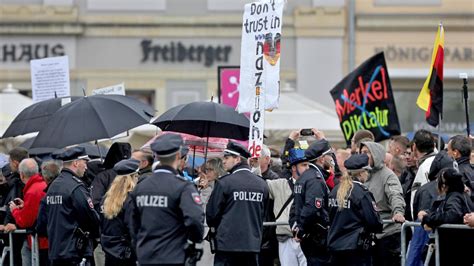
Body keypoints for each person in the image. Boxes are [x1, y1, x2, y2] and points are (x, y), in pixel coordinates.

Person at [126, 134, 204, 265]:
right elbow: (194, 220)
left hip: (146, 256)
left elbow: (132, 224)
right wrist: (193, 242)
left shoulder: (141, 187)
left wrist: (139, 247)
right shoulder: (183, 187)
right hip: (173, 256)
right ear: (178, 156)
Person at [206, 141, 269, 266]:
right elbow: (263, 215)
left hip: (227, 246)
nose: (223, 161)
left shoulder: (225, 183)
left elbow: (212, 215)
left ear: (237, 159)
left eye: (227, 157)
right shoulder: (261, 184)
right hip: (252, 245)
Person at [37, 146, 100, 266]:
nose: (86, 167)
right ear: (76, 163)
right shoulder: (76, 187)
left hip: (56, 252)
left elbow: (41, 224)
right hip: (75, 253)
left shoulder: (53, 187)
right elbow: (92, 219)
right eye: (84, 162)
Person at [328, 154, 383, 266]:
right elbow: (374, 222)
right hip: (355, 249)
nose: (367, 174)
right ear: (361, 173)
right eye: (366, 171)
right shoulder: (362, 193)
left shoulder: (335, 191)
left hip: (335, 246)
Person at [360, 141, 405, 266]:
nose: (363, 156)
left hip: (388, 234)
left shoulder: (388, 175)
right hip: (370, 234)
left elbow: (395, 195)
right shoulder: (363, 174)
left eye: (366, 152)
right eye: (361, 152)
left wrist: (398, 212)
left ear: (376, 154)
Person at [290, 139, 332, 266]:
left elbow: (295, 207)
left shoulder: (304, 177)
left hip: (309, 236)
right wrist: (301, 230)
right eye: (329, 155)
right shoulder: (315, 178)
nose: (331, 159)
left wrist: (296, 227)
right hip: (316, 237)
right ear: (322, 158)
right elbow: (312, 208)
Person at [420, 168, 474, 266]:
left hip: (453, 249)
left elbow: (452, 215)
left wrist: (428, 218)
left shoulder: (454, 196)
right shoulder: (463, 195)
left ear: (444, 185)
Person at [267, 148, 308, 266]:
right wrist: (254, 167)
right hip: (285, 238)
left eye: (308, 165)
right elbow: (257, 184)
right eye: (304, 165)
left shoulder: (314, 185)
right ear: (294, 167)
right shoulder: (280, 184)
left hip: (305, 238)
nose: (307, 168)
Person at [100, 159, 140, 266]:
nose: (138, 179)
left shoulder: (106, 199)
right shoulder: (131, 199)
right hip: (127, 253)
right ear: (132, 178)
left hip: (110, 252)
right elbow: (133, 228)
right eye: (136, 176)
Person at [10, 159, 49, 266]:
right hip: (47, 240)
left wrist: (15, 210)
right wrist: (25, 206)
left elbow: (25, 221)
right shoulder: (43, 184)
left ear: (22, 175)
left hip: (41, 243)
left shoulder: (32, 191)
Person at [2, 147, 29, 265]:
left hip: (18, 229)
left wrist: (10, 223)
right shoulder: (15, 178)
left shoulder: (22, 182)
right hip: (15, 226)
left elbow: (14, 204)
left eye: (9, 162)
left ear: (15, 162)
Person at [410, 130, 437, 218]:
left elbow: (427, 196)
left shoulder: (426, 166)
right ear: (434, 145)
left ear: (414, 146)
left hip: (425, 222)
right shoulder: (435, 162)